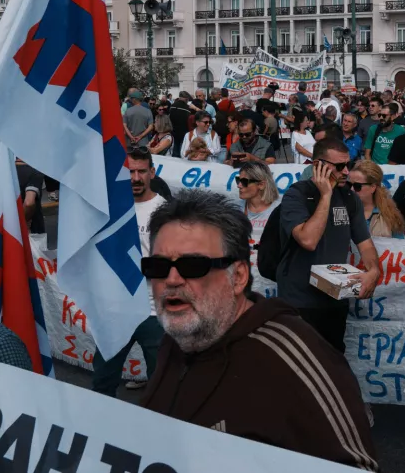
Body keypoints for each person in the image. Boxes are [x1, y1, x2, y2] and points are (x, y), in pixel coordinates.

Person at [138, 190, 377, 470]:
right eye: (158, 266)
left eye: (193, 265)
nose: (172, 279)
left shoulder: (295, 358)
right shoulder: (175, 341)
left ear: (238, 277)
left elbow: (357, 466)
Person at [276, 139, 381, 353]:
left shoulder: (351, 198)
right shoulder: (297, 195)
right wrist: (326, 195)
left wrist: (374, 271)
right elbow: (308, 240)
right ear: (318, 165)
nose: (346, 172)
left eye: (348, 165)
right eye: (339, 166)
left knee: (332, 363)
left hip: (334, 299)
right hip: (299, 300)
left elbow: (365, 243)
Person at [91, 147, 166, 397]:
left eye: (141, 172)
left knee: (162, 387)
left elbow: (173, 261)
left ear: (152, 172)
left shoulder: (165, 211)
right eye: (130, 172)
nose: (135, 178)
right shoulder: (110, 209)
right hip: (115, 311)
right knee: (102, 382)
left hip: (153, 311)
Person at [237, 162, 281, 299]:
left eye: (244, 181)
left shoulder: (280, 210)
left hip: (273, 289)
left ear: (261, 185)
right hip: (243, 287)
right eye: (238, 180)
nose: (239, 185)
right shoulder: (235, 211)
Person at [348, 161, 405, 239]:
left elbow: (399, 246)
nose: (351, 189)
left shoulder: (391, 215)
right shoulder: (340, 212)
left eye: (357, 186)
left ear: (373, 187)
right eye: (348, 185)